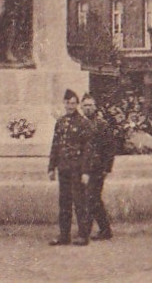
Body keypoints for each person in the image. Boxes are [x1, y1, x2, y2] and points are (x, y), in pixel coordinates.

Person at [45, 89, 93, 246]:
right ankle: (64, 235)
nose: (70, 106)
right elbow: (55, 146)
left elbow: (88, 149)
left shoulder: (84, 123)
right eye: (68, 103)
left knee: (80, 202)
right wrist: (51, 167)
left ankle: (83, 235)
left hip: (77, 169)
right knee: (64, 203)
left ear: (77, 104)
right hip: (64, 168)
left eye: (73, 103)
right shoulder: (60, 122)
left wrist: (86, 171)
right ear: (64, 104)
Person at [80, 94, 117, 239]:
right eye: (85, 105)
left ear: (95, 107)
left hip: (97, 167)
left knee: (92, 197)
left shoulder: (102, 125)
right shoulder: (79, 124)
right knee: (90, 199)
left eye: (90, 105)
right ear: (81, 108)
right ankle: (105, 229)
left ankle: (87, 231)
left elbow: (109, 148)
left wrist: (107, 168)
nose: (88, 108)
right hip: (82, 168)